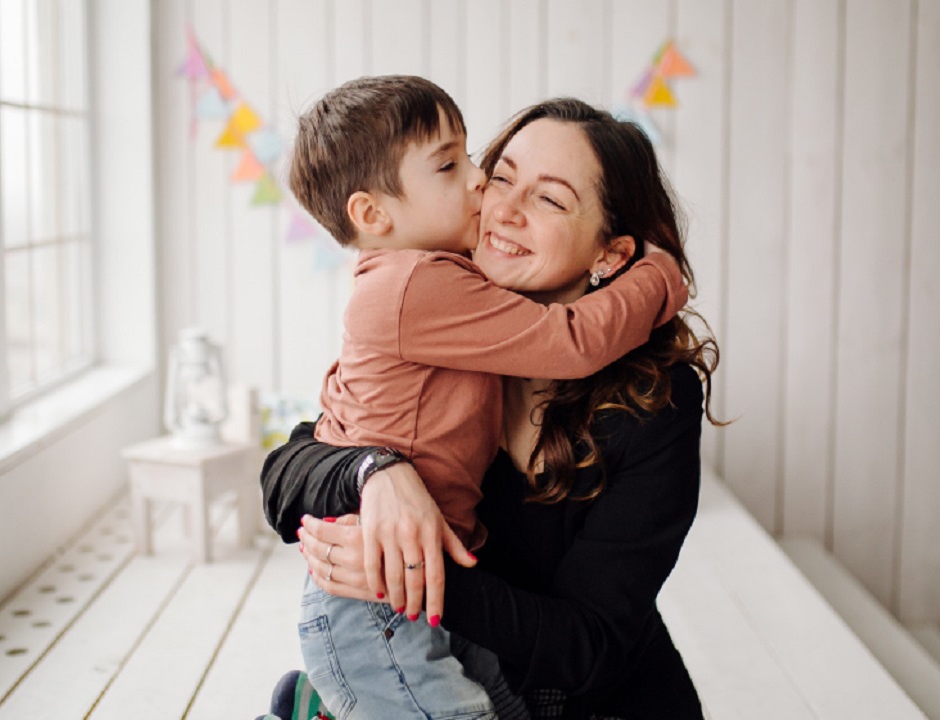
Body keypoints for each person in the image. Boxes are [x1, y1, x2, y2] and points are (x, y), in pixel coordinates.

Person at [264, 97, 720, 720]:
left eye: (550, 199)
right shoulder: (438, 315)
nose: (499, 205)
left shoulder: (656, 403)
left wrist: (415, 573)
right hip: (442, 653)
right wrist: (375, 472)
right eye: (501, 175)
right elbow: (290, 466)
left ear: (609, 256)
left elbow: (588, 646)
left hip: (595, 702)